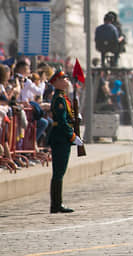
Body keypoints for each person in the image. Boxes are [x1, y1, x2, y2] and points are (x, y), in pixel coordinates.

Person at [47, 69, 83, 212]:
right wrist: (72, 136)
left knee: (60, 172)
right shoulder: (60, 99)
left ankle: (57, 203)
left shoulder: (63, 97)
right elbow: (62, 122)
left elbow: (67, 118)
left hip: (62, 138)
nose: (66, 81)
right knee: (58, 172)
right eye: (64, 79)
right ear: (56, 82)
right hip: (60, 138)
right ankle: (56, 204)